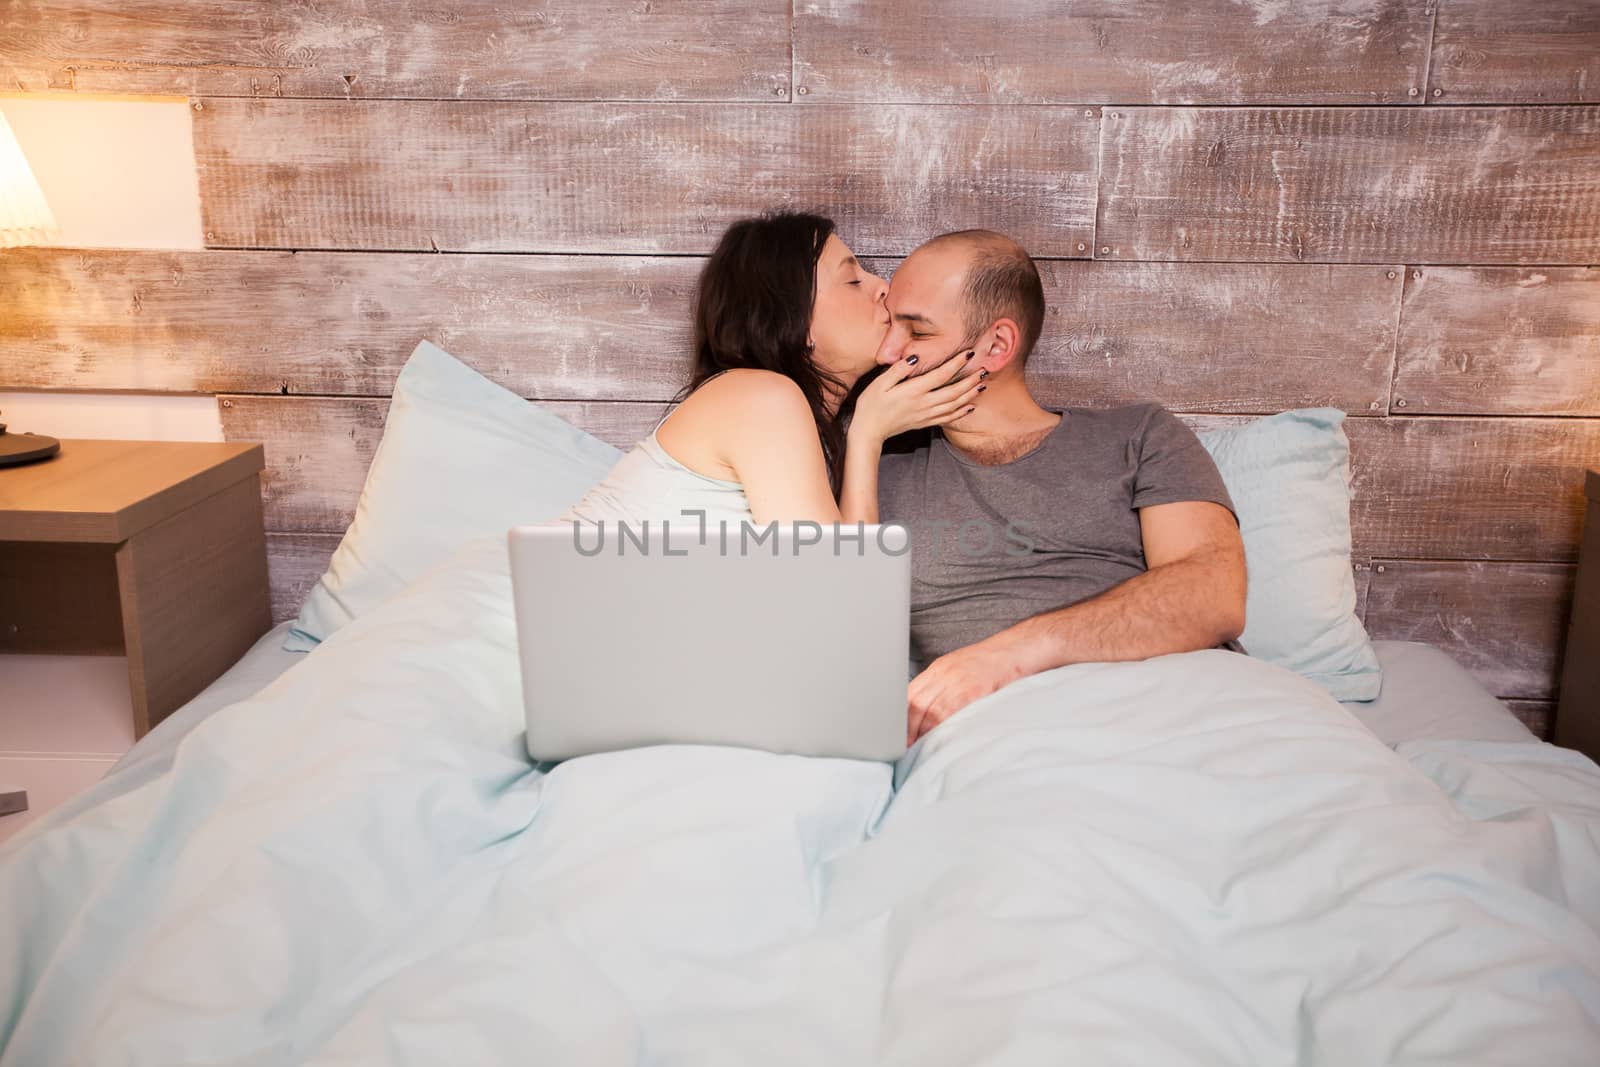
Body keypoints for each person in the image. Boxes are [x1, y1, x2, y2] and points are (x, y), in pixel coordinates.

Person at [872, 230, 1248, 746]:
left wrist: (1008, 655)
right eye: (889, 324)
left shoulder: (1139, 434)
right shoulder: (876, 469)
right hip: (1015, 735)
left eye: (916, 332)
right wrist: (863, 437)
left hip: (1200, 705)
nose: (887, 350)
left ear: (996, 345)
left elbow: (1214, 594)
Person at [560, 211, 984, 529]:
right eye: (852, 280)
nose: (882, 287)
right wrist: (868, 434)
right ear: (795, 325)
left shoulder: (802, 428)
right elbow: (838, 597)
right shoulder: (759, 397)